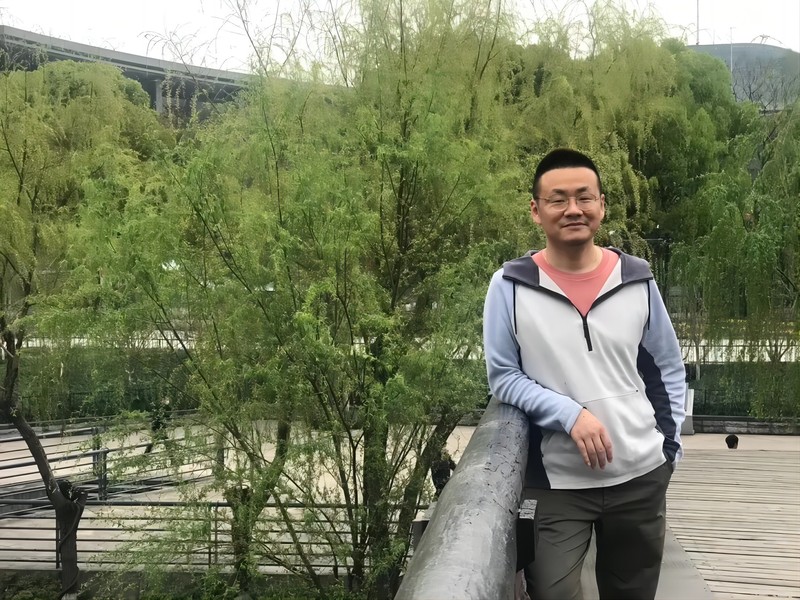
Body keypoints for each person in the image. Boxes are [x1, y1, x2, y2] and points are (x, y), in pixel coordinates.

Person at [482, 148, 686, 600]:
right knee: (551, 592)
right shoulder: (510, 286)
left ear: (601, 205)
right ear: (536, 211)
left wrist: (670, 448)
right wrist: (570, 414)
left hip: (641, 475)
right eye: (558, 199)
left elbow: (668, 366)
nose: (573, 209)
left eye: (584, 197)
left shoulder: (636, 278)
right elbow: (503, 376)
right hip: (557, 483)